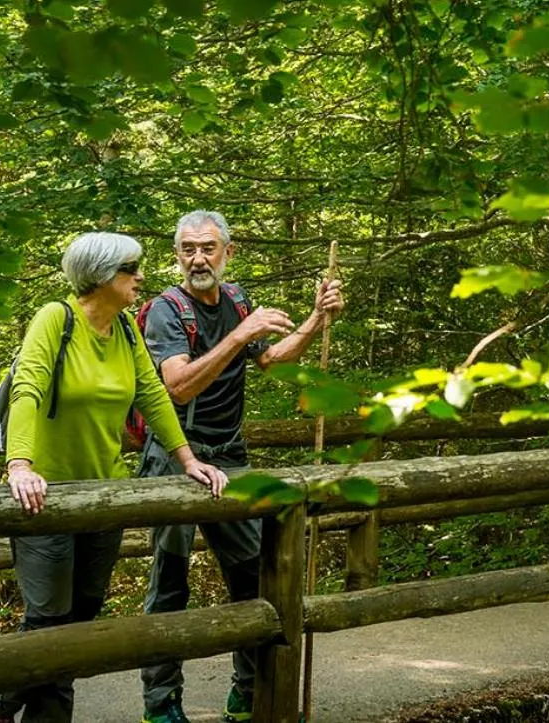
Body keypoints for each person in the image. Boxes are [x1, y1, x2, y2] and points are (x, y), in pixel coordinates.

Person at [0, 232, 229, 723]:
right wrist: (20, 466)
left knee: (80, 618)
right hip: (45, 496)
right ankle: (5, 705)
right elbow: (27, 388)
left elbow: (153, 396)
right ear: (99, 276)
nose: (140, 277)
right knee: (50, 619)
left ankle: (2, 703)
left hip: (104, 496)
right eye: (129, 269)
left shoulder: (125, 330)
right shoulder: (57, 319)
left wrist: (187, 460)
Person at [139, 210, 344, 723]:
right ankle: (161, 703)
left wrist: (317, 318)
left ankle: (247, 693)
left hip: (229, 456)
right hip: (176, 456)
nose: (197, 258)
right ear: (177, 255)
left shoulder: (235, 300)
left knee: (253, 572)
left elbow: (272, 358)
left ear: (227, 252)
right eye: (188, 249)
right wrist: (238, 335)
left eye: (208, 247)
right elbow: (177, 386)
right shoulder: (169, 310)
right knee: (170, 580)